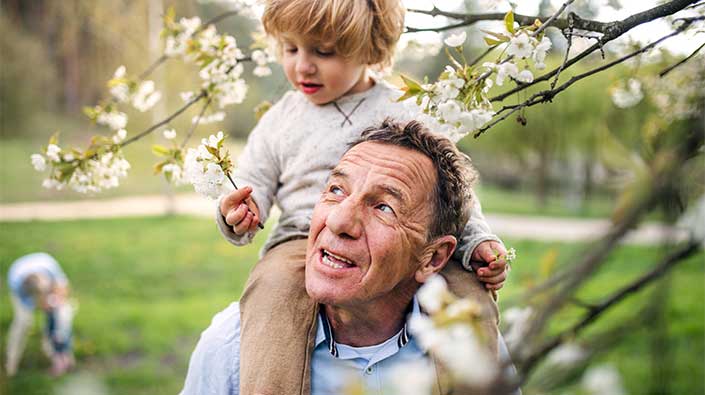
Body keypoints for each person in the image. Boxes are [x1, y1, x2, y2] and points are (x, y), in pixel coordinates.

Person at [216, 1, 511, 393]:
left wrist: (477, 241)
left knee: (468, 293)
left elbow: (452, 191)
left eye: (323, 51)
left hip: (401, 240)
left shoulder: (405, 109)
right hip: (300, 240)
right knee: (272, 292)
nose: (302, 66)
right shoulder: (280, 120)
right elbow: (251, 181)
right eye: (290, 49)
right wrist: (240, 210)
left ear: (368, 50)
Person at [183, 120, 519, 395]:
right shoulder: (233, 346)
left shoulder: (472, 349)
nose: (339, 220)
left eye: (384, 207)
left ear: (432, 258)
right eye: (336, 190)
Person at [6, 252, 75, 377]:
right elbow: (32, 304)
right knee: (23, 323)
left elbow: (64, 287)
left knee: (62, 314)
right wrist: (43, 304)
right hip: (22, 284)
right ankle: (11, 363)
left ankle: (58, 352)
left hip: (44, 275)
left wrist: (57, 301)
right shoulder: (17, 284)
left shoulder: (49, 266)